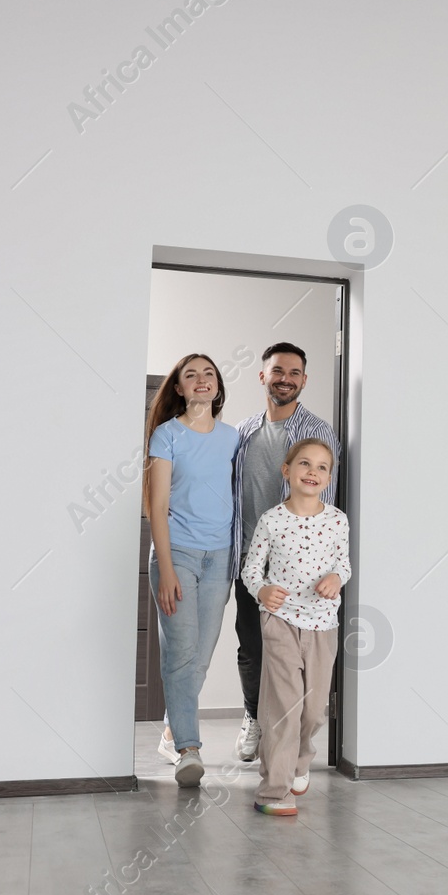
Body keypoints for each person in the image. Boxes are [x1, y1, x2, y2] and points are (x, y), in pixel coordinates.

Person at [228, 343, 339, 762]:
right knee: (251, 646)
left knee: (302, 659)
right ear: (263, 377)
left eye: (294, 372)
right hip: (250, 562)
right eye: (277, 371)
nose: (285, 378)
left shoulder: (320, 432)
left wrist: (332, 569)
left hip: (302, 570)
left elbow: (329, 501)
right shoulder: (243, 432)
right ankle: (254, 716)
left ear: (304, 381)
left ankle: (295, 742)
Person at [241, 438, 350, 815]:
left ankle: (300, 761)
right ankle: (273, 791)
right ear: (286, 471)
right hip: (281, 622)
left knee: (314, 710)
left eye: (322, 467)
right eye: (305, 464)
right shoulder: (272, 520)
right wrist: (263, 589)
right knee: (284, 709)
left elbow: (344, 564)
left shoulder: (337, 520)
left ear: (329, 477)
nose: (313, 472)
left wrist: (337, 577)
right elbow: (251, 570)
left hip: (324, 625)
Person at [145, 353, 239, 787]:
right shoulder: (166, 436)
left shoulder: (233, 438)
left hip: (219, 558)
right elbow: (156, 506)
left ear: (217, 386)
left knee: (198, 660)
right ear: (179, 388)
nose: (201, 380)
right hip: (177, 554)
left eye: (209, 374)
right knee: (181, 656)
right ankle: (189, 749)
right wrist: (165, 570)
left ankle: (170, 729)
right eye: (191, 375)